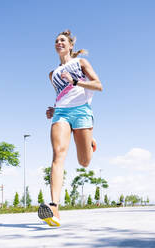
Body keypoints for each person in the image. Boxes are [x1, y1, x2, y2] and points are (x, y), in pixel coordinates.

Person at [38, 30, 103, 227]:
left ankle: (89, 140)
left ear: (71, 45)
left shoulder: (81, 63)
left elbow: (99, 85)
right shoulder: (53, 74)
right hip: (62, 115)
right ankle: (54, 207)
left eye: (62, 40)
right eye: (56, 40)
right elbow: (61, 95)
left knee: (84, 162)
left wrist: (75, 81)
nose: (59, 42)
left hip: (82, 112)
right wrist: (54, 109)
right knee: (58, 154)